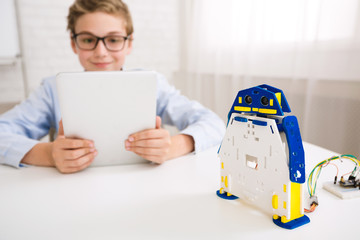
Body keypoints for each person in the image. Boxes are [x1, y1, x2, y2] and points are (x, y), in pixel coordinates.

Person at [0, 0, 225, 173]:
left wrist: (174, 146)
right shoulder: (52, 90)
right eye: (88, 40)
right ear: (73, 43)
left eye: (114, 40)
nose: (101, 52)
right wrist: (48, 154)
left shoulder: (152, 84)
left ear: (129, 43)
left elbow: (214, 123)